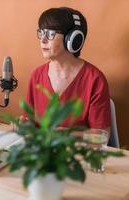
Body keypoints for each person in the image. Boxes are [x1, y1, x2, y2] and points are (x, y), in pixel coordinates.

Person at [25, 7, 111, 135]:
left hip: (78, 153)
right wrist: (24, 124)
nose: (43, 40)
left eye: (50, 34)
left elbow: (102, 135)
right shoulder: (36, 75)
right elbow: (29, 120)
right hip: (41, 153)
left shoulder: (95, 79)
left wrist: (69, 134)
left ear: (73, 39)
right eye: (41, 32)